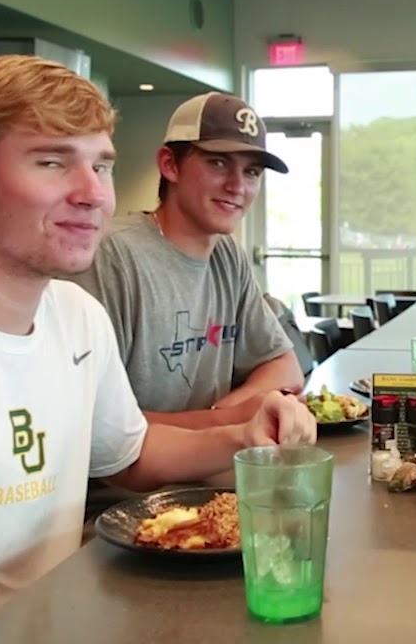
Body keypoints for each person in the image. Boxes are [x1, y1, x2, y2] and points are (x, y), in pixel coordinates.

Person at [0, 55, 315, 644]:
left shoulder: (76, 316)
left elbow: (131, 454)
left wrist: (244, 435)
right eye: (52, 162)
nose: (95, 195)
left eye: (102, 165)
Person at [72, 92, 303, 429]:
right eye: (218, 163)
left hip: (215, 458)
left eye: (252, 172)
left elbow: (285, 367)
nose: (237, 186)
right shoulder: (110, 255)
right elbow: (94, 423)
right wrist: (225, 422)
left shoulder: (227, 254)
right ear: (169, 164)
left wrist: (220, 416)